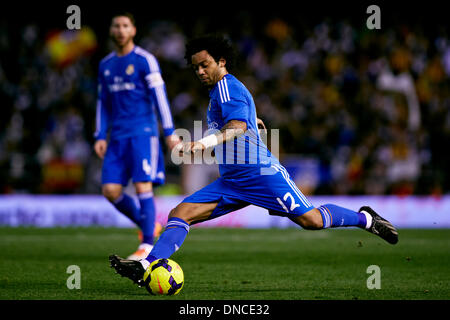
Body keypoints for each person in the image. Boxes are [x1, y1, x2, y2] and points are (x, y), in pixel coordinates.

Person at [109, 34, 398, 286]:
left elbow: (236, 127)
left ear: (221, 61)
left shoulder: (226, 87)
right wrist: (247, 124)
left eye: (204, 64)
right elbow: (240, 124)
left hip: (261, 175)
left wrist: (205, 143)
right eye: (195, 67)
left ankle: (366, 219)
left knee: (310, 220)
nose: (199, 71)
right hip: (232, 181)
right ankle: (147, 265)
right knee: (179, 213)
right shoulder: (220, 92)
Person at [94, 12, 180, 260]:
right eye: (116, 26)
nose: (120, 30)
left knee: (143, 184)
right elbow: (103, 102)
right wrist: (100, 134)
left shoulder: (145, 60)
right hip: (117, 136)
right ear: (111, 31)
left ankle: (147, 244)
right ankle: (149, 225)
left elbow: (160, 97)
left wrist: (169, 131)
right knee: (110, 191)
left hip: (143, 133)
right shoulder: (105, 65)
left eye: (125, 25)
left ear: (133, 30)